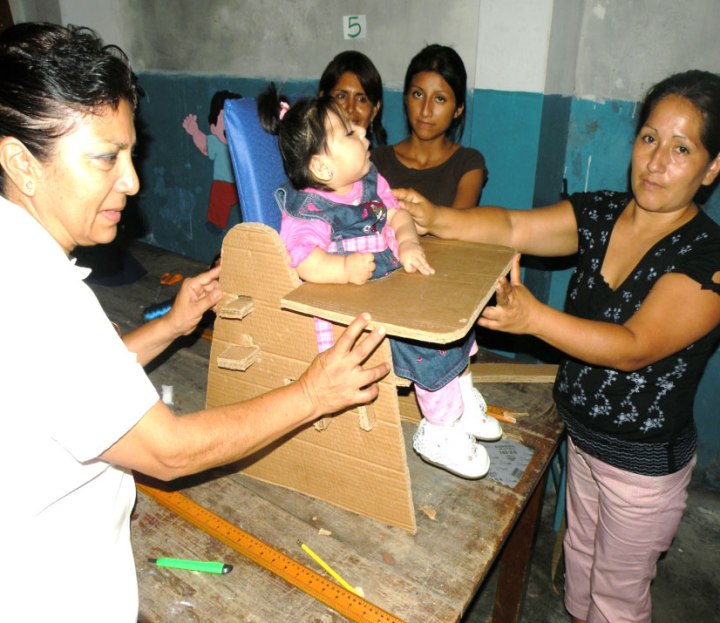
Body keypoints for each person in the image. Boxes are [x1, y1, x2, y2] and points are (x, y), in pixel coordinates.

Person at [0, 22, 390, 622]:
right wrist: (314, 391)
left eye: (130, 153)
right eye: (107, 158)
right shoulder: (37, 296)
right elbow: (170, 452)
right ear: (21, 163)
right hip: (54, 593)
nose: (131, 181)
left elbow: (76, 388)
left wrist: (173, 325)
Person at [396, 69, 720, 623]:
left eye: (681, 148)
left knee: (616, 601)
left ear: (712, 167)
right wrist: (438, 218)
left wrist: (534, 318)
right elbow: (512, 227)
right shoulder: (599, 213)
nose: (656, 161)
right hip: (583, 442)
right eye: (648, 139)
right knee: (578, 571)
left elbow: (634, 346)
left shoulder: (706, 257)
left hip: (641, 470)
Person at [257, 83, 503, 481]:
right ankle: (440, 430)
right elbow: (304, 262)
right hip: (358, 308)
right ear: (322, 167)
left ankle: (458, 400)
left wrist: (406, 243)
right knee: (428, 343)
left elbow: (396, 216)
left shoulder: (370, 181)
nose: (364, 133)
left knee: (454, 316)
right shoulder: (308, 211)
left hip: (390, 283)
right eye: (350, 134)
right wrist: (344, 270)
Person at [371, 44, 487, 208]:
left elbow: (458, 228)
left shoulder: (467, 164)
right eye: (418, 94)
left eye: (440, 99)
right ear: (406, 99)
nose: (426, 111)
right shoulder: (376, 161)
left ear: (458, 109)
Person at [182, 89, 243, 233]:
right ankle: (216, 223)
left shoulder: (243, 143)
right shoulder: (217, 143)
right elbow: (204, 144)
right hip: (222, 183)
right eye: (224, 124)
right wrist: (195, 132)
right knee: (218, 201)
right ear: (213, 127)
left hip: (241, 183)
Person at [318, 50, 387, 148]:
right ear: (323, 100)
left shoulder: (378, 162)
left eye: (361, 99)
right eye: (341, 96)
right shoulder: (306, 159)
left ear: (374, 111)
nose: (350, 108)